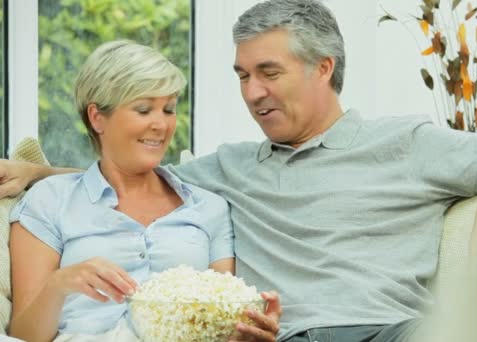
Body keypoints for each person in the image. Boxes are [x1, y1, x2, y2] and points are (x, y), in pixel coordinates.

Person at [0, 1, 477, 341]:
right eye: (242, 75)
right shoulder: (228, 170)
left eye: (268, 73)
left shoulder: (408, 143)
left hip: (393, 330)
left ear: (323, 68)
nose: (252, 92)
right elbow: (129, 173)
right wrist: (35, 174)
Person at [6, 40, 279, 342]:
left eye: (169, 109)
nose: (161, 125)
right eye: (144, 109)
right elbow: (23, 334)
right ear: (97, 117)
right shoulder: (49, 200)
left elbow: (225, 320)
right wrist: (60, 284)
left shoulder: (209, 208)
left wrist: (247, 331)